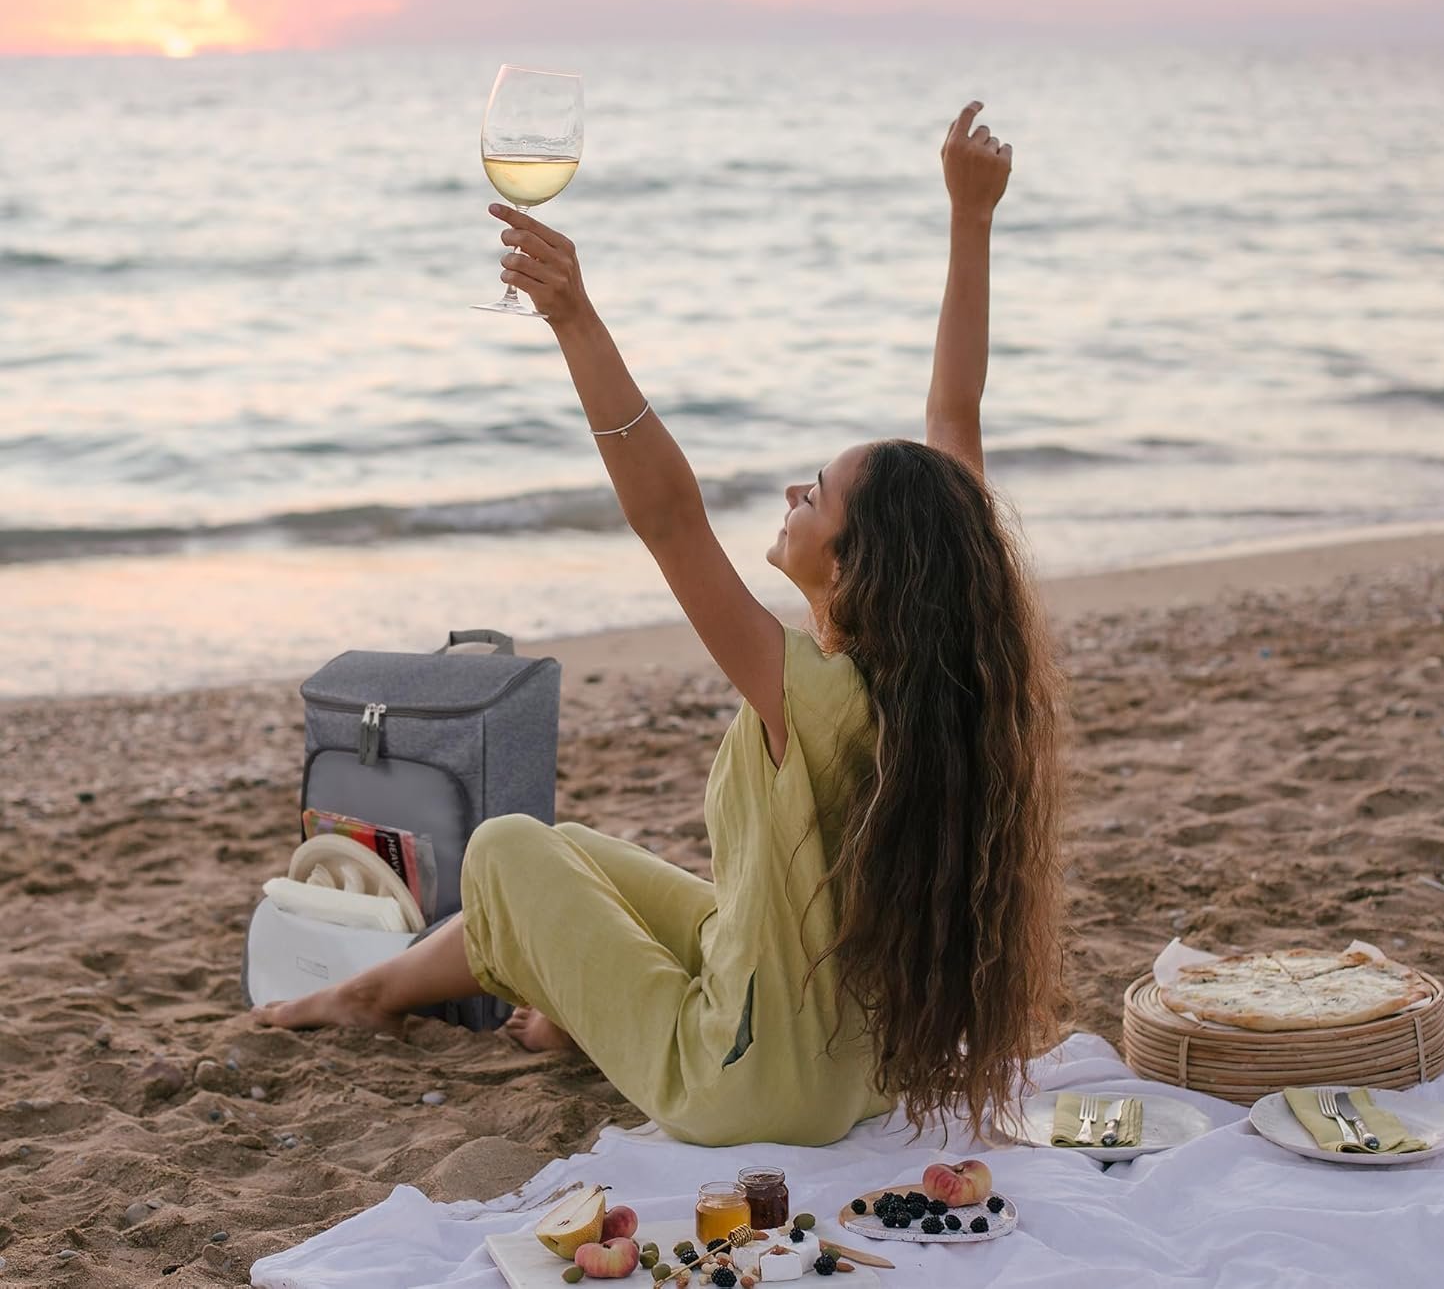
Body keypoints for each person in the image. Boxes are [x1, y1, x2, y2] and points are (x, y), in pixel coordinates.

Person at [256, 101, 1066, 1148]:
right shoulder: (946, 676)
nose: (790, 492)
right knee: (577, 851)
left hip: (738, 1085)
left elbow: (670, 518)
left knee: (505, 850)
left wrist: (574, 318)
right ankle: (529, 1004)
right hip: (855, 1069)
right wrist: (971, 218)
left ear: (860, 568)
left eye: (813, 496)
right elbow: (956, 421)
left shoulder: (811, 694)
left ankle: (372, 997)